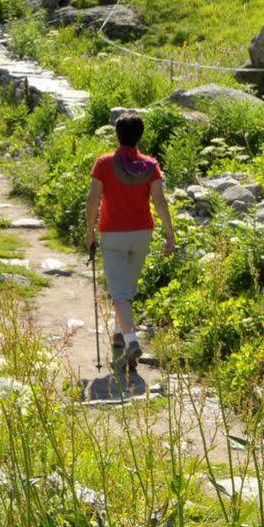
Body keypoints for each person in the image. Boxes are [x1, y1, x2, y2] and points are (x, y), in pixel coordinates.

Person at [86, 112, 175, 372]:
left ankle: (132, 340)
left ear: (117, 135)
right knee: (127, 290)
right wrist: (170, 234)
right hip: (142, 235)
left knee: (120, 294)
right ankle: (118, 334)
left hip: (113, 234)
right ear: (140, 136)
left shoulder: (103, 164)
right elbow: (159, 201)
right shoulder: (150, 165)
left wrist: (90, 231)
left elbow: (93, 200)